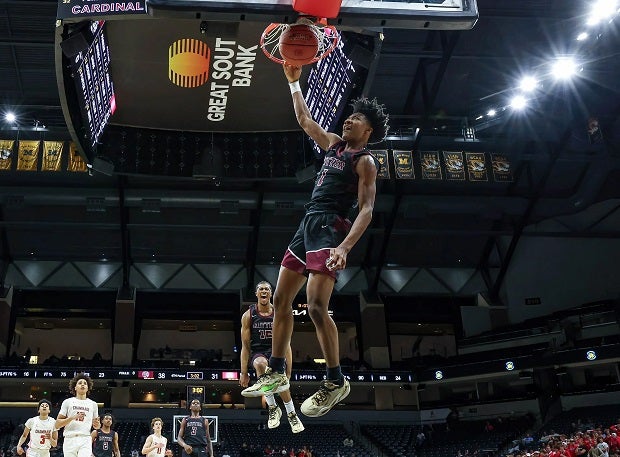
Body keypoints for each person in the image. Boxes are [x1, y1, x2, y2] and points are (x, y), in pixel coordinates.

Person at [242, 63, 389, 418]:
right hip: (307, 224)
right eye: (348, 117)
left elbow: (367, 209)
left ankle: (335, 380)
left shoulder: (364, 160)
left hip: (330, 228)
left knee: (316, 306)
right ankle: (276, 372)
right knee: (279, 299)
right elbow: (306, 120)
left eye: (355, 119)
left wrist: (344, 247)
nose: (348, 121)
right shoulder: (335, 146)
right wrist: (293, 80)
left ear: (368, 129)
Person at [240, 281, 304, 433]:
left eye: (267, 289)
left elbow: (286, 343)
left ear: (271, 294)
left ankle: (291, 414)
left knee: (281, 383)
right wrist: (243, 372)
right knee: (261, 364)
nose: (263, 291)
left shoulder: (279, 313)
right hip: (258, 351)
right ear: (256, 294)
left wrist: (289, 370)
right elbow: (245, 346)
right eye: (260, 289)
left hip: (277, 352)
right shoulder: (248, 315)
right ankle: (273, 407)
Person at [55, 373, 101, 457]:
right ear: (75, 387)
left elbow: (97, 427)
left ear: (88, 388)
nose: (83, 384)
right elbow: (57, 424)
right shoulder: (67, 402)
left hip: (85, 438)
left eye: (85, 383)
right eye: (80, 383)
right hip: (70, 438)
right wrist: (72, 418)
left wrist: (97, 425)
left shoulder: (93, 404)